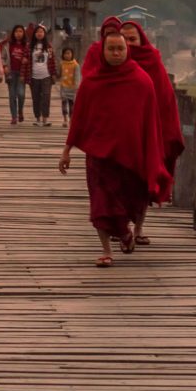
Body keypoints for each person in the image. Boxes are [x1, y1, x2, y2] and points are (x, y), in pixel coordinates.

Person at [58, 23, 171, 268]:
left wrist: (153, 154)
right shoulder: (91, 82)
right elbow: (79, 117)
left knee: (129, 200)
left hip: (131, 155)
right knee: (100, 202)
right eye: (112, 49)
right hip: (99, 155)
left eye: (121, 48)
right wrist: (67, 149)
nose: (117, 53)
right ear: (103, 51)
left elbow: (151, 123)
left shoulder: (142, 81)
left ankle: (126, 233)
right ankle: (106, 250)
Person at [120, 21, 185, 245]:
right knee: (122, 182)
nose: (129, 45)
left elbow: (165, 99)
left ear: (141, 40)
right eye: (124, 40)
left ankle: (138, 229)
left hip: (151, 134)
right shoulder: (115, 62)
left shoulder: (152, 60)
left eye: (132, 40)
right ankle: (123, 226)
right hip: (124, 135)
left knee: (144, 184)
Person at [23, 23, 56, 126]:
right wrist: (23, 75)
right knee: (36, 98)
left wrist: (54, 74)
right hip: (33, 76)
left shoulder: (48, 46)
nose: (39, 34)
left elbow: (52, 61)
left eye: (41, 32)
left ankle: (45, 119)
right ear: (34, 34)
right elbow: (25, 61)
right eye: (37, 32)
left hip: (46, 75)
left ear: (44, 34)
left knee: (46, 97)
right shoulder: (29, 47)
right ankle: (37, 119)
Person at [2, 24, 28, 125]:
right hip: (11, 73)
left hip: (22, 73)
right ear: (13, 33)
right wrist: (5, 66)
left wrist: (27, 60)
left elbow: (31, 58)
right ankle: (14, 117)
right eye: (16, 31)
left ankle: (20, 110)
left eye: (20, 31)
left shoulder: (27, 45)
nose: (18, 33)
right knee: (12, 95)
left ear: (23, 33)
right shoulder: (8, 45)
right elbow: (2, 57)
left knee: (21, 94)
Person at [58, 45, 81, 127]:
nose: (67, 55)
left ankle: (71, 119)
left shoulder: (75, 65)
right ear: (63, 55)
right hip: (63, 87)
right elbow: (59, 73)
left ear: (72, 54)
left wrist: (77, 86)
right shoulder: (62, 64)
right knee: (64, 103)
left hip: (72, 88)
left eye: (69, 53)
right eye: (65, 54)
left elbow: (77, 76)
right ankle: (65, 119)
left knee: (71, 105)